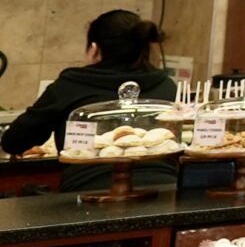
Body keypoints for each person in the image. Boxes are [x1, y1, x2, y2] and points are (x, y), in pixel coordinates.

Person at [3, 10, 178, 192]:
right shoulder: (166, 85)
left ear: (94, 48)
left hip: (88, 193)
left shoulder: (71, 85)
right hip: (166, 191)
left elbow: (14, 142)